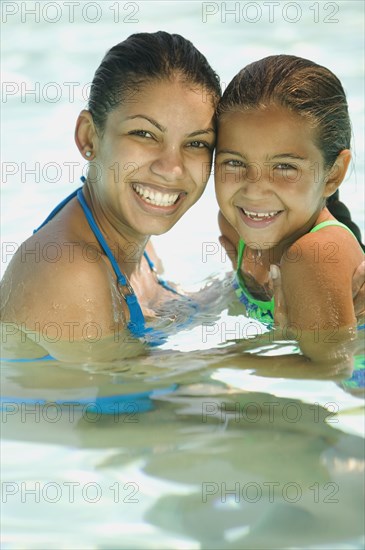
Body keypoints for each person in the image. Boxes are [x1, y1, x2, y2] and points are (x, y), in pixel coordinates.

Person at [1, 37, 364, 363]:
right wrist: (268, 345)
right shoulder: (72, 271)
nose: (172, 168)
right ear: (88, 137)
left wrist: (254, 290)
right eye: (144, 133)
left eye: (195, 143)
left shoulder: (127, 243)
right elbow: (118, 411)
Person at [215, 54, 365, 365]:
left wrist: (207, 363)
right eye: (235, 162)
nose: (254, 190)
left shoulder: (314, 254)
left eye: (285, 167)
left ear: (333, 174)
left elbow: (331, 370)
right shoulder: (237, 227)